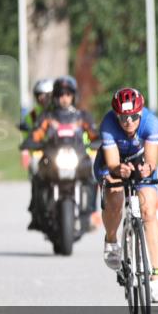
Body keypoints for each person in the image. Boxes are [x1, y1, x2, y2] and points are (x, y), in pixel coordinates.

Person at [95, 87, 158, 303]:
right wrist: (118, 170)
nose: (128, 122)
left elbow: (152, 160)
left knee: (148, 209)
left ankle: (156, 277)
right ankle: (111, 240)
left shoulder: (151, 122)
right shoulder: (108, 125)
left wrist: (147, 168)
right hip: (113, 164)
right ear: (116, 116)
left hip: (138, 164)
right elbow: (111, 163)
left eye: (133, 117)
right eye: (123, 118)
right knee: (115, 199)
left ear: (141, 112)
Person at [26, 76, 99, 230]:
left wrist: (98, 140)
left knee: (93, 176)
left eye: (68, 94)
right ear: (55, 97)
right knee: (38, 176)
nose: (64, 98)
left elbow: (94, 133)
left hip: (77, 156)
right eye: (60, 95)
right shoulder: (48, 117)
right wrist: (32, 141)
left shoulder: (81, 116)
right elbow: (36, 133)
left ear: (73, 96)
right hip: (54, 157)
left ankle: (90, 213)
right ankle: (38, 212)